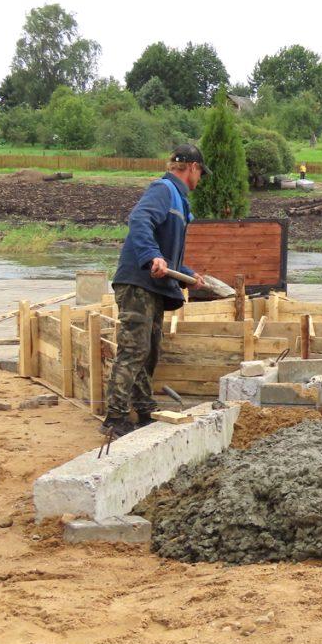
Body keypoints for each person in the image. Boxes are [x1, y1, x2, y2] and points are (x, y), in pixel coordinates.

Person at [102, 144, 209, 437]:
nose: (200, 180)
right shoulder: (163, 189)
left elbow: (167, 257)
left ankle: (144, 408)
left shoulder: (178, 200)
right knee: (134, 349)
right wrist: (151, 256)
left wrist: (186, 275)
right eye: (201, 173)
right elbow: (139, 220)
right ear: (192, 168)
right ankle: (115, 417)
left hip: (153, 285)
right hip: (138, 282)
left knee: (149, 351)